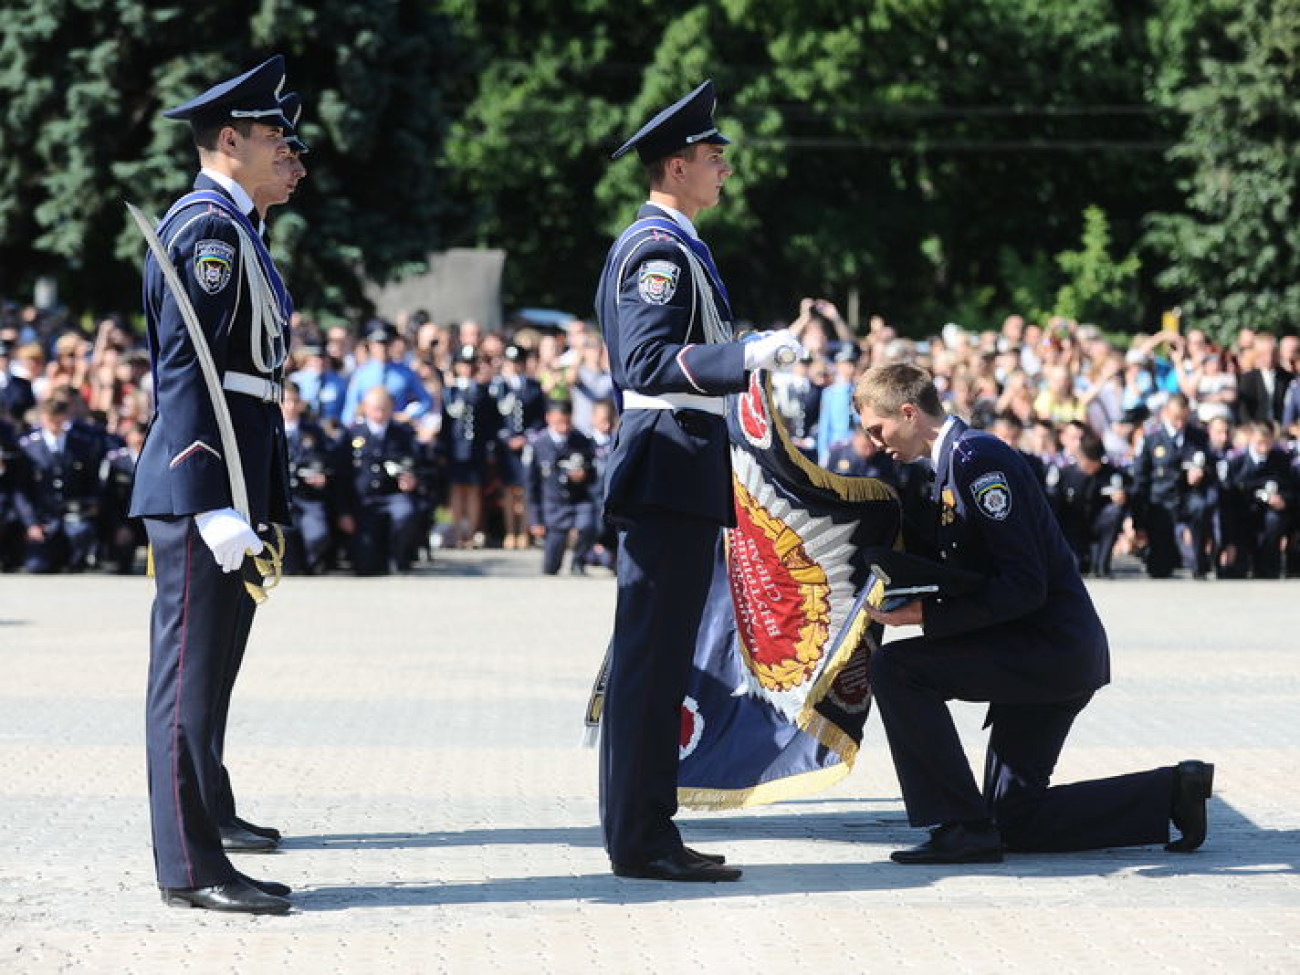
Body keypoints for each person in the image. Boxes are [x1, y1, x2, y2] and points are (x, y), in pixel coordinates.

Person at [853, 362, 1212, 864]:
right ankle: (1174, 793)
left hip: (1046, 653)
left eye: (879, 429)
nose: (876, 443)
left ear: (909, 412)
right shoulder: (954, 464)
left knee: (897, 669)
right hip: (1038, 652)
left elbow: (1023, 586)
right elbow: (968, 566)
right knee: (1013, 821)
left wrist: (927, 618)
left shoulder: (978, 461)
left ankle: (959, 824)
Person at [595, 80, 802, 882]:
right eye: (713, 158)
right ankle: (640, 837)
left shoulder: (680, 245)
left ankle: (650, 828)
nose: (724, 170)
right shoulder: (655, 251)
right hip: (664, 461)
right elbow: (644, 362)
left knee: (660, 660)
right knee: (649, 663)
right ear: (676, 167)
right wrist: (742, 356)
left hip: (680, 464)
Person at [128, 56, 297, 914]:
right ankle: (191, 867)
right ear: (229, 141)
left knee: (202, 681)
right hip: (205, 484)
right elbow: (186, 372)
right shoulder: (206, 231)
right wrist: (211, 498)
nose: (286, 152)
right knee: (185, 684)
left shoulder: (235, 230)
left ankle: (202, 849)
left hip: (232, 475)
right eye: (273, 137)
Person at [340, 386, 426, 575]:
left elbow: (417, 463)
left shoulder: (402, 433)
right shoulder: (352, 434)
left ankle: (399, 556)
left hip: (392, 495)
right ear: (365, 408)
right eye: (375, 408)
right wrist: (344, 512)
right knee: (366, 565)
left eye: (384, 408)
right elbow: (342, 475)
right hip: (363, 500)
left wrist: (411, 478)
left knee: (406, 513)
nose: (379, 413)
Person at [1130, 393, 1216, 578]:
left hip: (1187, 497)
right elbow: (1140, 478)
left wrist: (1201, 473)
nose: (1180, 424)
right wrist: (1138, 522)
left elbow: (1212, 467)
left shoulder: (1198, 436)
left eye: (1184, 419)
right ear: (1165, 413)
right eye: (1176, 418)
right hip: (1161, 500)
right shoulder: (1151, 439)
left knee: (1201, 507)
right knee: (1160, 569)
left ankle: (1199, 561)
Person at [525, 399, 598, 574]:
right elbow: (531, 485)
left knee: (589, 525)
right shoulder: (538, 444)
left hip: (578, 501)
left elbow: (593, 472)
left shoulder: (581, 440)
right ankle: (554, 562)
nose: (564, 427)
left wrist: (583, 475)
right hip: (554, 507)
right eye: (559, 422)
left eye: (567, 422)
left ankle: (578, 562)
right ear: (548, 418)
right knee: (550, 568)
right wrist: (536, 520)